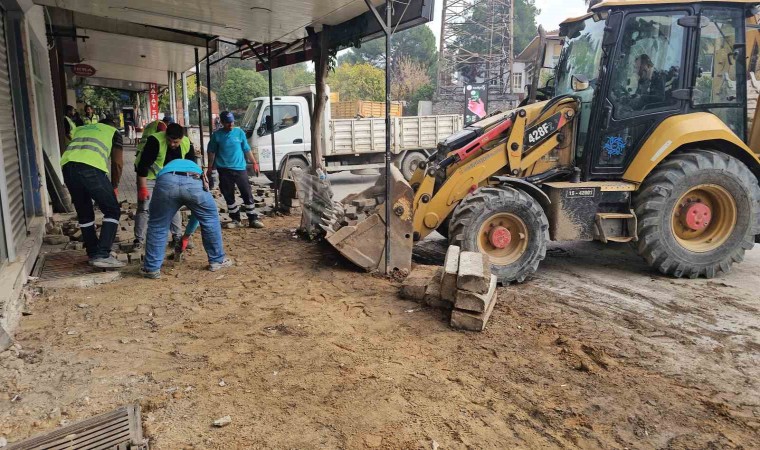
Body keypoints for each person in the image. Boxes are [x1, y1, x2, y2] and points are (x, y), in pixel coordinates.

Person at [141, 156, 232, 278]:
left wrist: (185, 237)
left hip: (166, 182)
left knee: (158, 224)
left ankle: (151, 268)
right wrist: (186, 236)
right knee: (210, 219)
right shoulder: (196, 168)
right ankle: (217, 261)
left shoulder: (166, 168)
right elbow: (198, 216)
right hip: (194, 180)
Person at [60, 118, 125, 268]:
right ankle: (102, 254)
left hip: (68, 168)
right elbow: (117, 162)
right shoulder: (113, 132)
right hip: (91, 168)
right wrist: (114, 186)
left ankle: (93, 252)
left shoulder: (82, 128)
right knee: (112, 210)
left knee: (85, 213)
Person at [134, 123, 194, 249]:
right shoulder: (155, 141)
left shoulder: (186, 143)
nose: (172, 144)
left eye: (175, 142)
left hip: (169, 179)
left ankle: (177, 236)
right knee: (144, 207)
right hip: (150, 177)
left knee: (173, 206)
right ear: (165, 135)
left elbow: (190, 166)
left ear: (182, 138)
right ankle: (139, 240)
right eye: (170, 140)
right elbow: (142, 166)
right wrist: (143, 188)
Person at [206, 111, 264, 228]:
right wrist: (210, 167)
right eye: (227, 123)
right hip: (224, 169)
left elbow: (246, 149)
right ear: (222, 122)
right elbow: (211, 151)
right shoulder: (217, 136)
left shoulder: (239, 133)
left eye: (232, 122)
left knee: (246, 192)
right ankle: (235, 219)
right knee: (228, 194)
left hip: (240, 169)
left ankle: (253, 218)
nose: (231, 124)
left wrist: (254, 163)